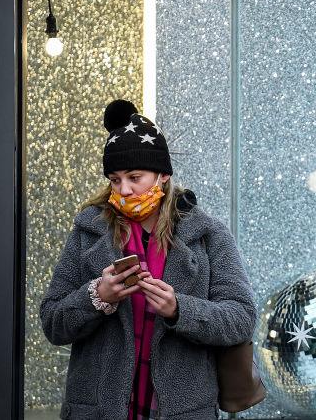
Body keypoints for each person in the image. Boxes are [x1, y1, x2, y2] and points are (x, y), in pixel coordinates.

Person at [40, 99, 257, 419]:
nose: (123, 190)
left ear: (163, 176)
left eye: (134, 177)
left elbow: (241, 318)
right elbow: (53, 322)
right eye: (115, 179)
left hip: (181, 410)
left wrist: (179, 309)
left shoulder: (207, 235)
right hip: (99, 410)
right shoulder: (89, 231)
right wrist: (96, 297)